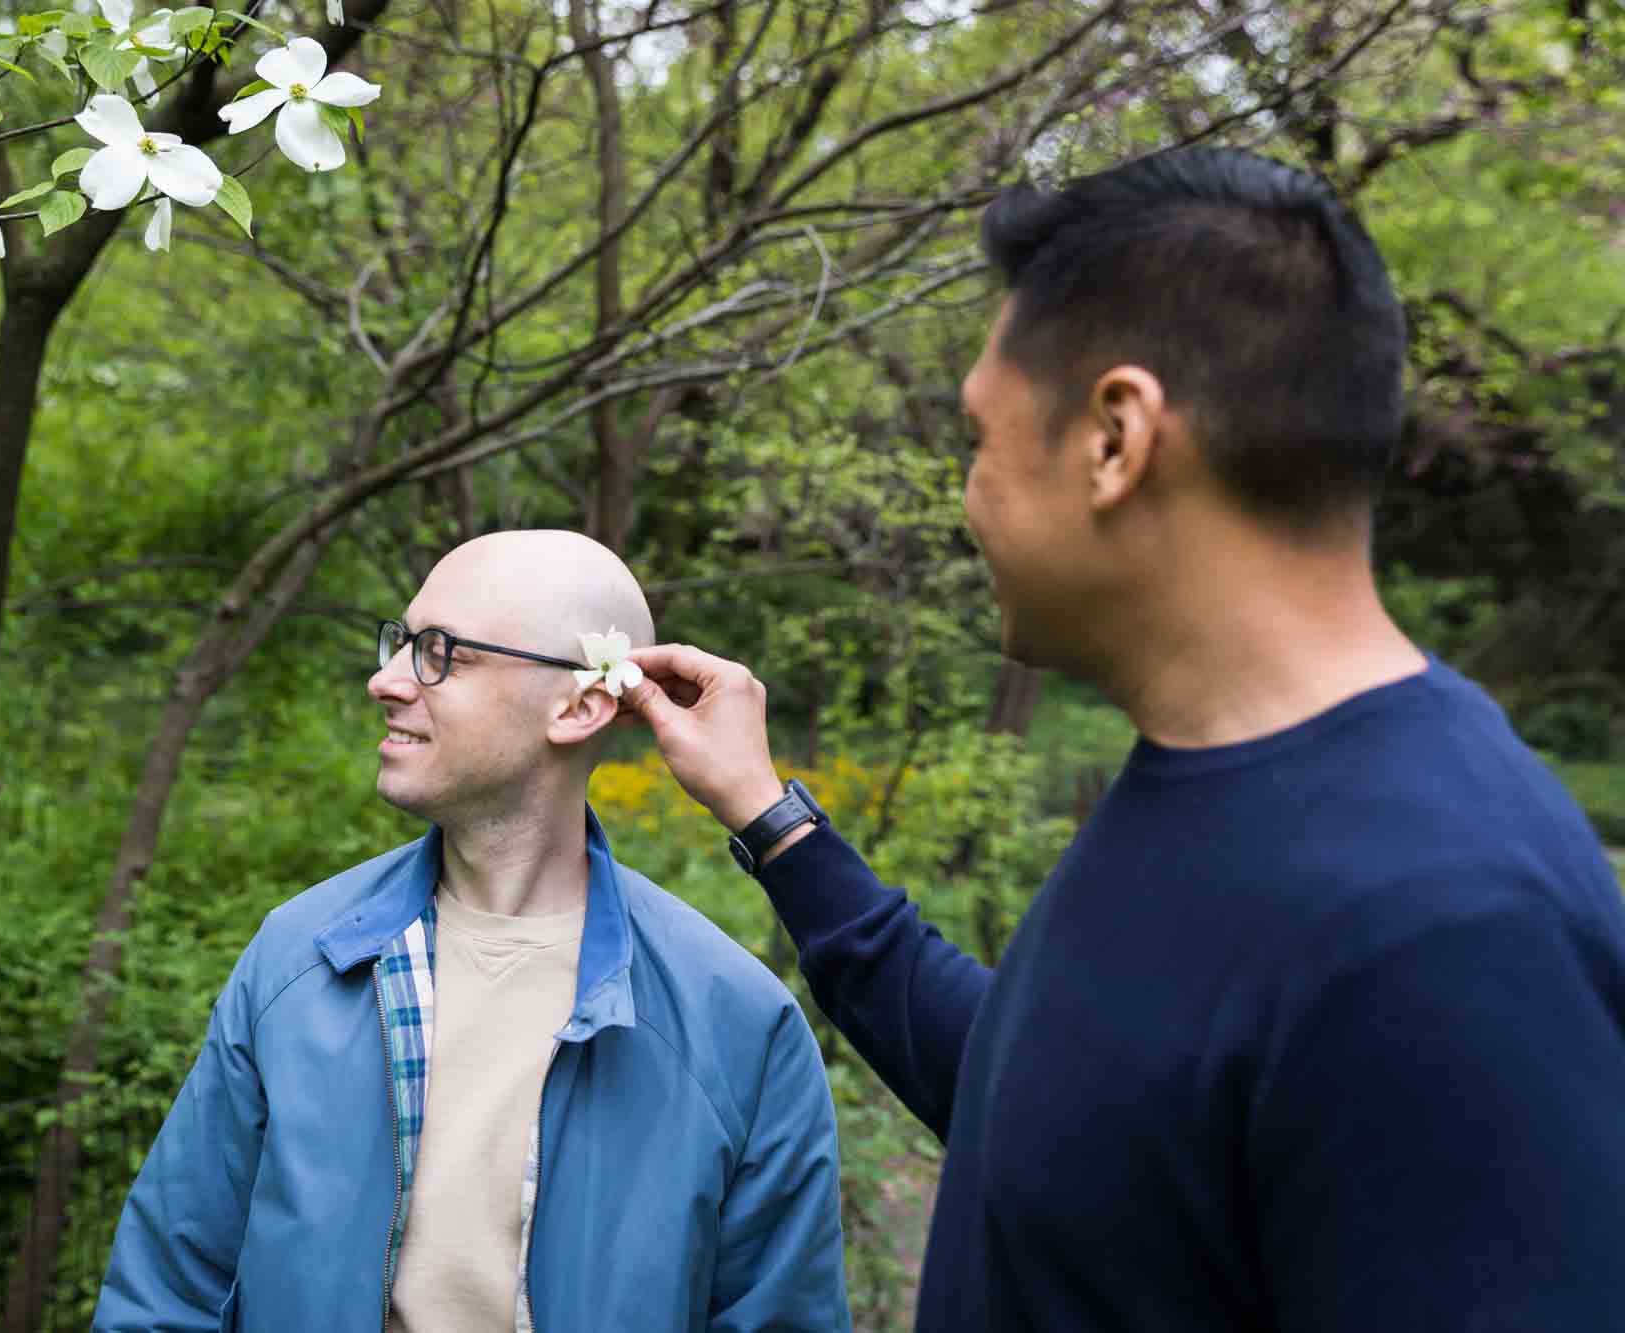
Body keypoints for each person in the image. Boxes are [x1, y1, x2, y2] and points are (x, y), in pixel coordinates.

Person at [624, 147, 1625, 1332]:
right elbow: (1056, 1108)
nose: (969, 495)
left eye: (979, 441)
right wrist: (769, 817)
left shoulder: (1443, 926)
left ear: (1113, 437)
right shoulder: (1210, 784)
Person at [93, 529, 848, 1333]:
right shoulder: (298, 959)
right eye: (402, 640)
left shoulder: (738, 1026)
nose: (385, 679)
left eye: (440, 651)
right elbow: (164, 1294)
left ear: (583, 704)